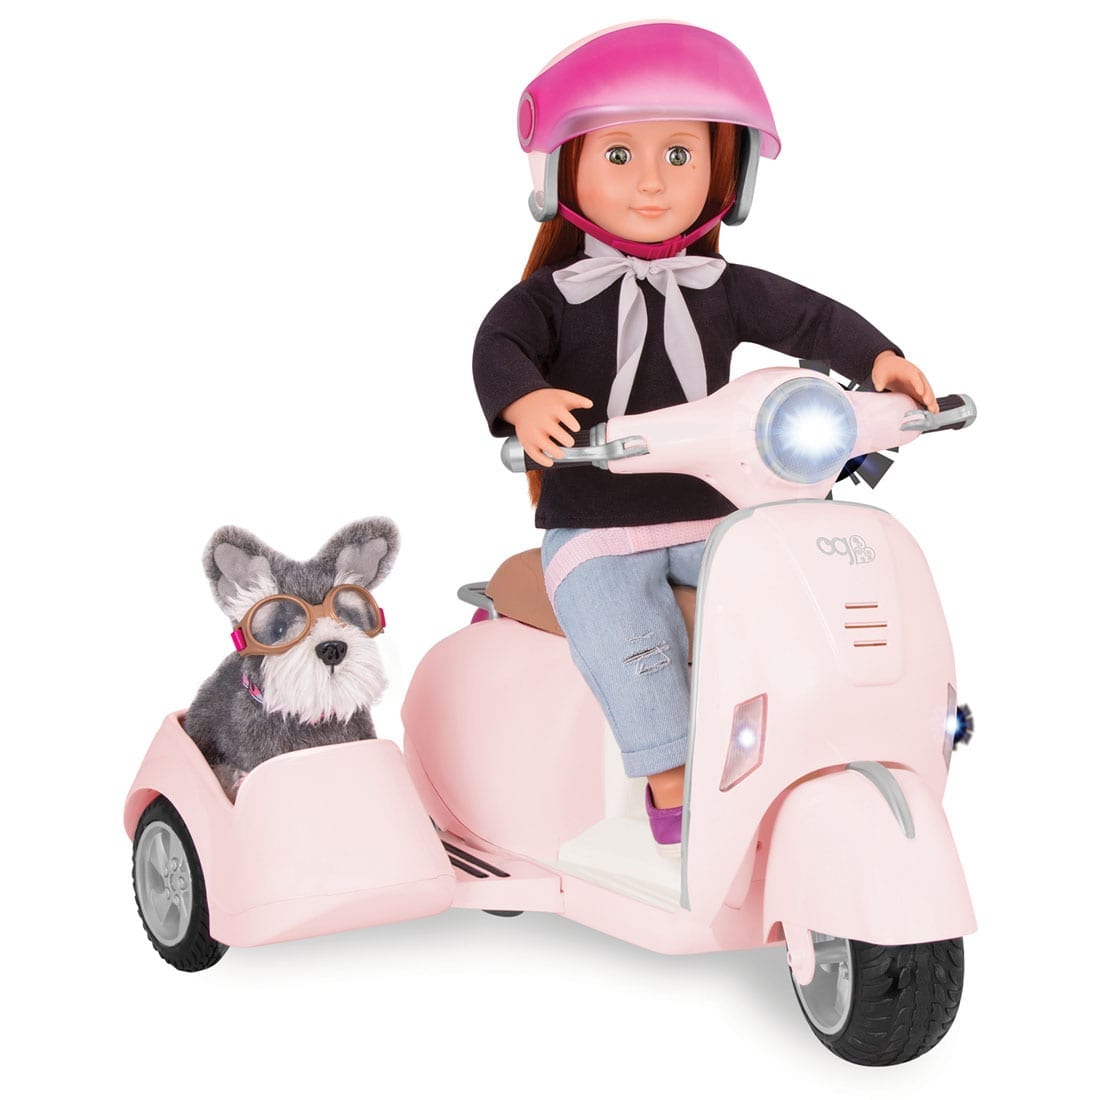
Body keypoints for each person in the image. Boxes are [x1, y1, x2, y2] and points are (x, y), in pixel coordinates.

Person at [473, 22, 937, 852]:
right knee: (634, 638)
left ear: (729, 175)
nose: (652, 183)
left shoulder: (723, 287)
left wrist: (879, 359)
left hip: (717, 515)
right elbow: (499, 344)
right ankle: (670, 780)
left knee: (792, 595)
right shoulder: (551, 299)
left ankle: (813, 739)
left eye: (680, 155)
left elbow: (812, 318)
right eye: (620, 156)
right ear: (559, 171)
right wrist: (524, 401)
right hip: (601, 527)